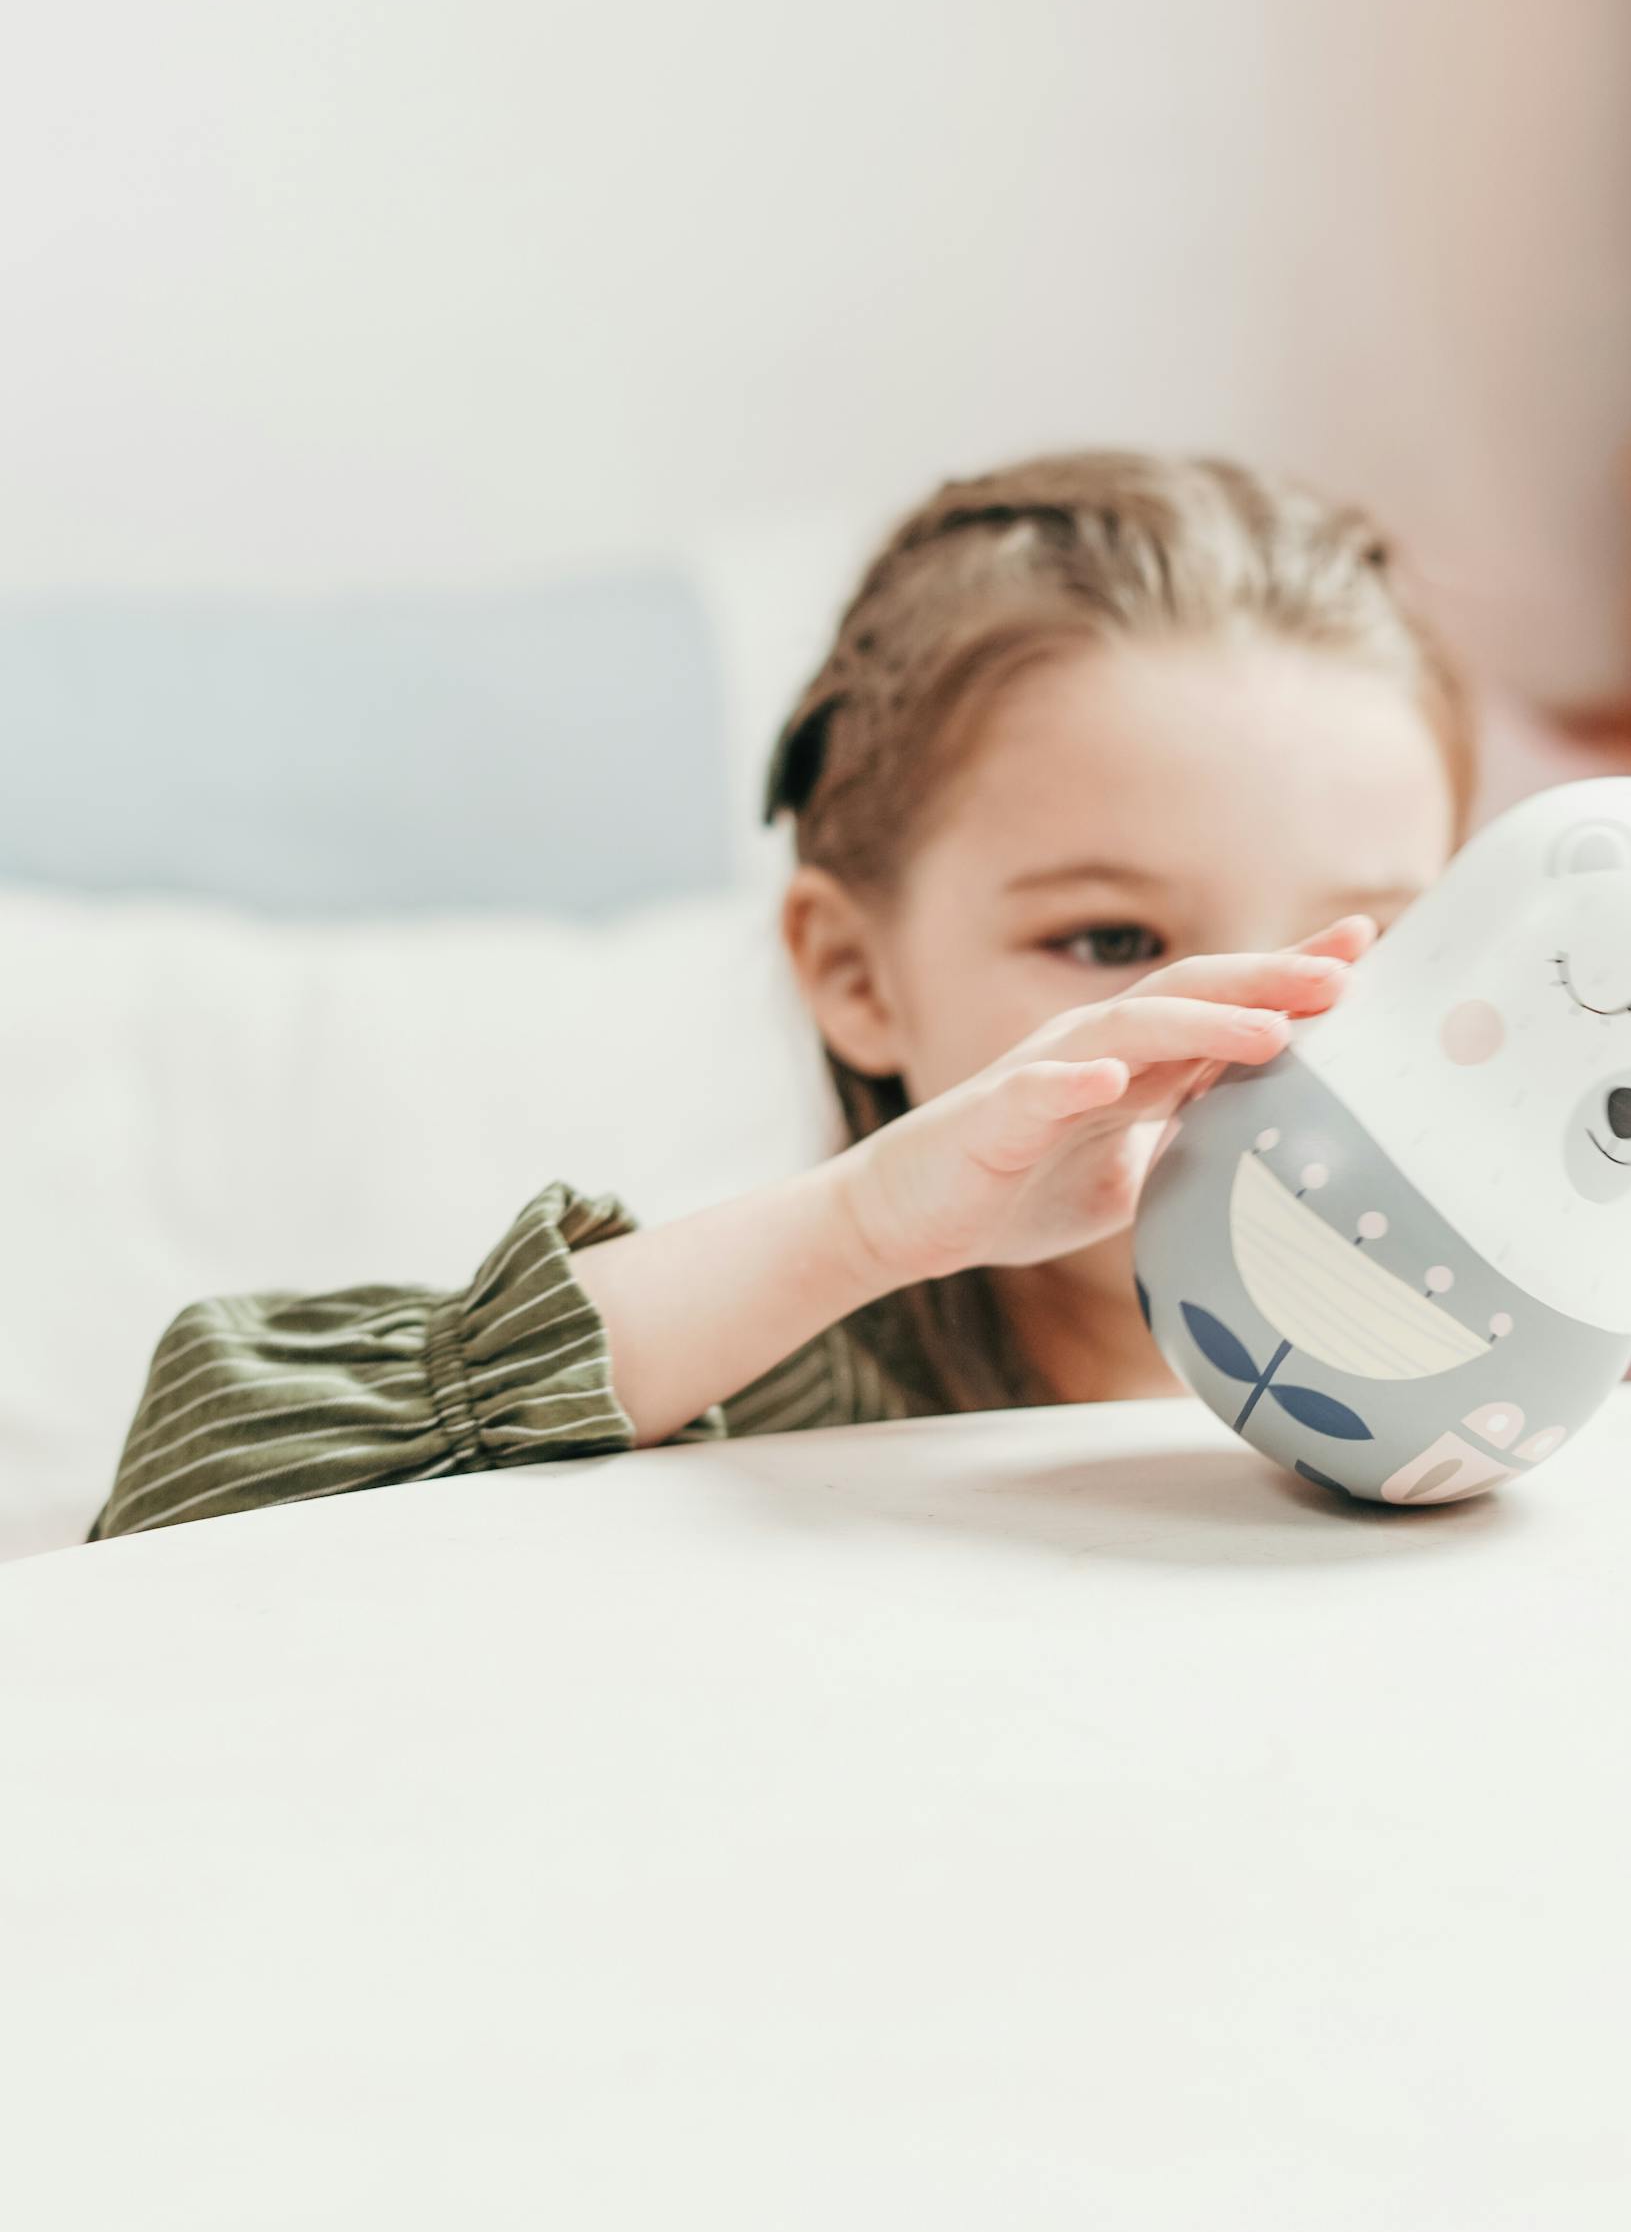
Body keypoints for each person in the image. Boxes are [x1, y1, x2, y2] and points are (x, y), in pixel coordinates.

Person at [91, 452, 1471, 1539]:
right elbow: (198, 1491)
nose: (1254, 1033)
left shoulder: (1480, 1395)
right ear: (857, 975)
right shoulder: (784, 1426)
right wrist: (857, 1227)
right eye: (1114, 941)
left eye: (1367, 950)